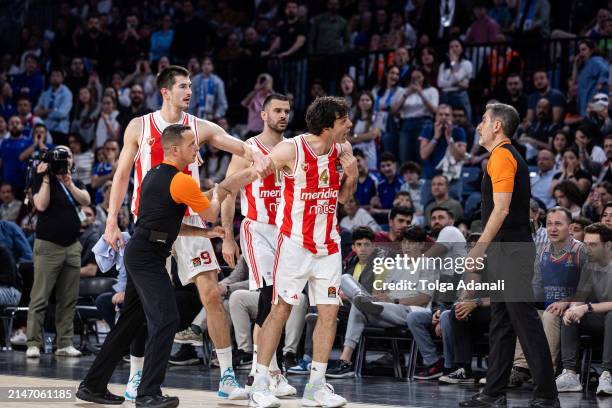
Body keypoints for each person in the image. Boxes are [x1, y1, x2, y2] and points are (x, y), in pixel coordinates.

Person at [100, 65, 272, 401]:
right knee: (140, 306)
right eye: (183, 86)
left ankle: (226, 377)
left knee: (211, 293)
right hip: (151, 223)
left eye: (191, 86)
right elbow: (122, 175)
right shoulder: (140, 126)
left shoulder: (200, 127)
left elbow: (236, 145)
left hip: (190, 218)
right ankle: (136, 376)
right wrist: (111, 220)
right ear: (165, 91)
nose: (189, 91)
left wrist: (258, 156)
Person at [77, 124, 227, 407]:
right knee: (166, 318)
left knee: (130, 322)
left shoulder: (152, 174)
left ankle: (92, 385)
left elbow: (169, 225)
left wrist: (205, 234)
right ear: (174, 149)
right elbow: (211, 212)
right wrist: (219, 192)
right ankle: (147, 393)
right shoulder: (182, 180)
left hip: (142, 249)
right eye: (191, 145)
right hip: (148, 256)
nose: (197, 148)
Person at [232, 96, 357, 407]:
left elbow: (344, 201)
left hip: (328, 245)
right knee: (279, 310)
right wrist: (223, 189)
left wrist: (352, 175)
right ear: (329, 125)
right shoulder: (292, 149)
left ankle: (317, 385)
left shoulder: (344, 150)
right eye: (344, 121)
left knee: (329, 314)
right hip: (294, 244)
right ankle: (260, 381)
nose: (350, 126)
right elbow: (254, 173)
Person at [460, 103, 559, 408]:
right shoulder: (502, 155)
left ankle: (546, 395)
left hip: (511, 247)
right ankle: (493, 393)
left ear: (497, 126)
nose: (479, 126)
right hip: (508, 246)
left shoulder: (502, 155)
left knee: (524, 321)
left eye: (483, 120)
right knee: (502, 323)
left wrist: (478, 247)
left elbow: (501, 209)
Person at [220, 93, 298, 398]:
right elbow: (227, 191)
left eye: (287, 111)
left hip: (287, 233)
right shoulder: (248, 148)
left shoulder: (293, 148)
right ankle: (263, 371)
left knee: (281, 301)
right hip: (257, 229)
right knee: (269, 294)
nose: (283, 115)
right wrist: (227, 235)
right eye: (277, 110)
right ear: (263, 114)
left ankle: (266, 369)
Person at [26, 145, 91, 359]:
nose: (66, 160)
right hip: (48, 246)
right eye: (61, 156)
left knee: (69, 299)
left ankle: (64, 343)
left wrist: (69, 183)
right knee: (40, 297)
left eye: (69, 156)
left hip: (72, 246)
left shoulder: (73, 181)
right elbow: (41, 205)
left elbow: (86, 200)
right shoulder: (41, 178)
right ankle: (33, 343)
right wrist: (45, 177)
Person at [556, 223, 612, 396]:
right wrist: (573, 309)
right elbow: (580, 296)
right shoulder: (589, 264)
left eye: (593, 245)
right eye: (586, 244)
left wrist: (586, 308)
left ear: (608, 245)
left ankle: (608, 374)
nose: (587, 249)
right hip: (600, 319)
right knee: (570, 314)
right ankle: (570, 374)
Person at [189, 57, 228, 121]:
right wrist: (191, 117)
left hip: (213, 116)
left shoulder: (218, 81)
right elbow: (191, 101)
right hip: (197, 116)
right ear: (201, 66)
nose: (206, 66)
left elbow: (222, 102)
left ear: (213, 67)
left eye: (209, 64)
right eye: (204, 64)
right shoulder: (195, 80)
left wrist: (217, 115)